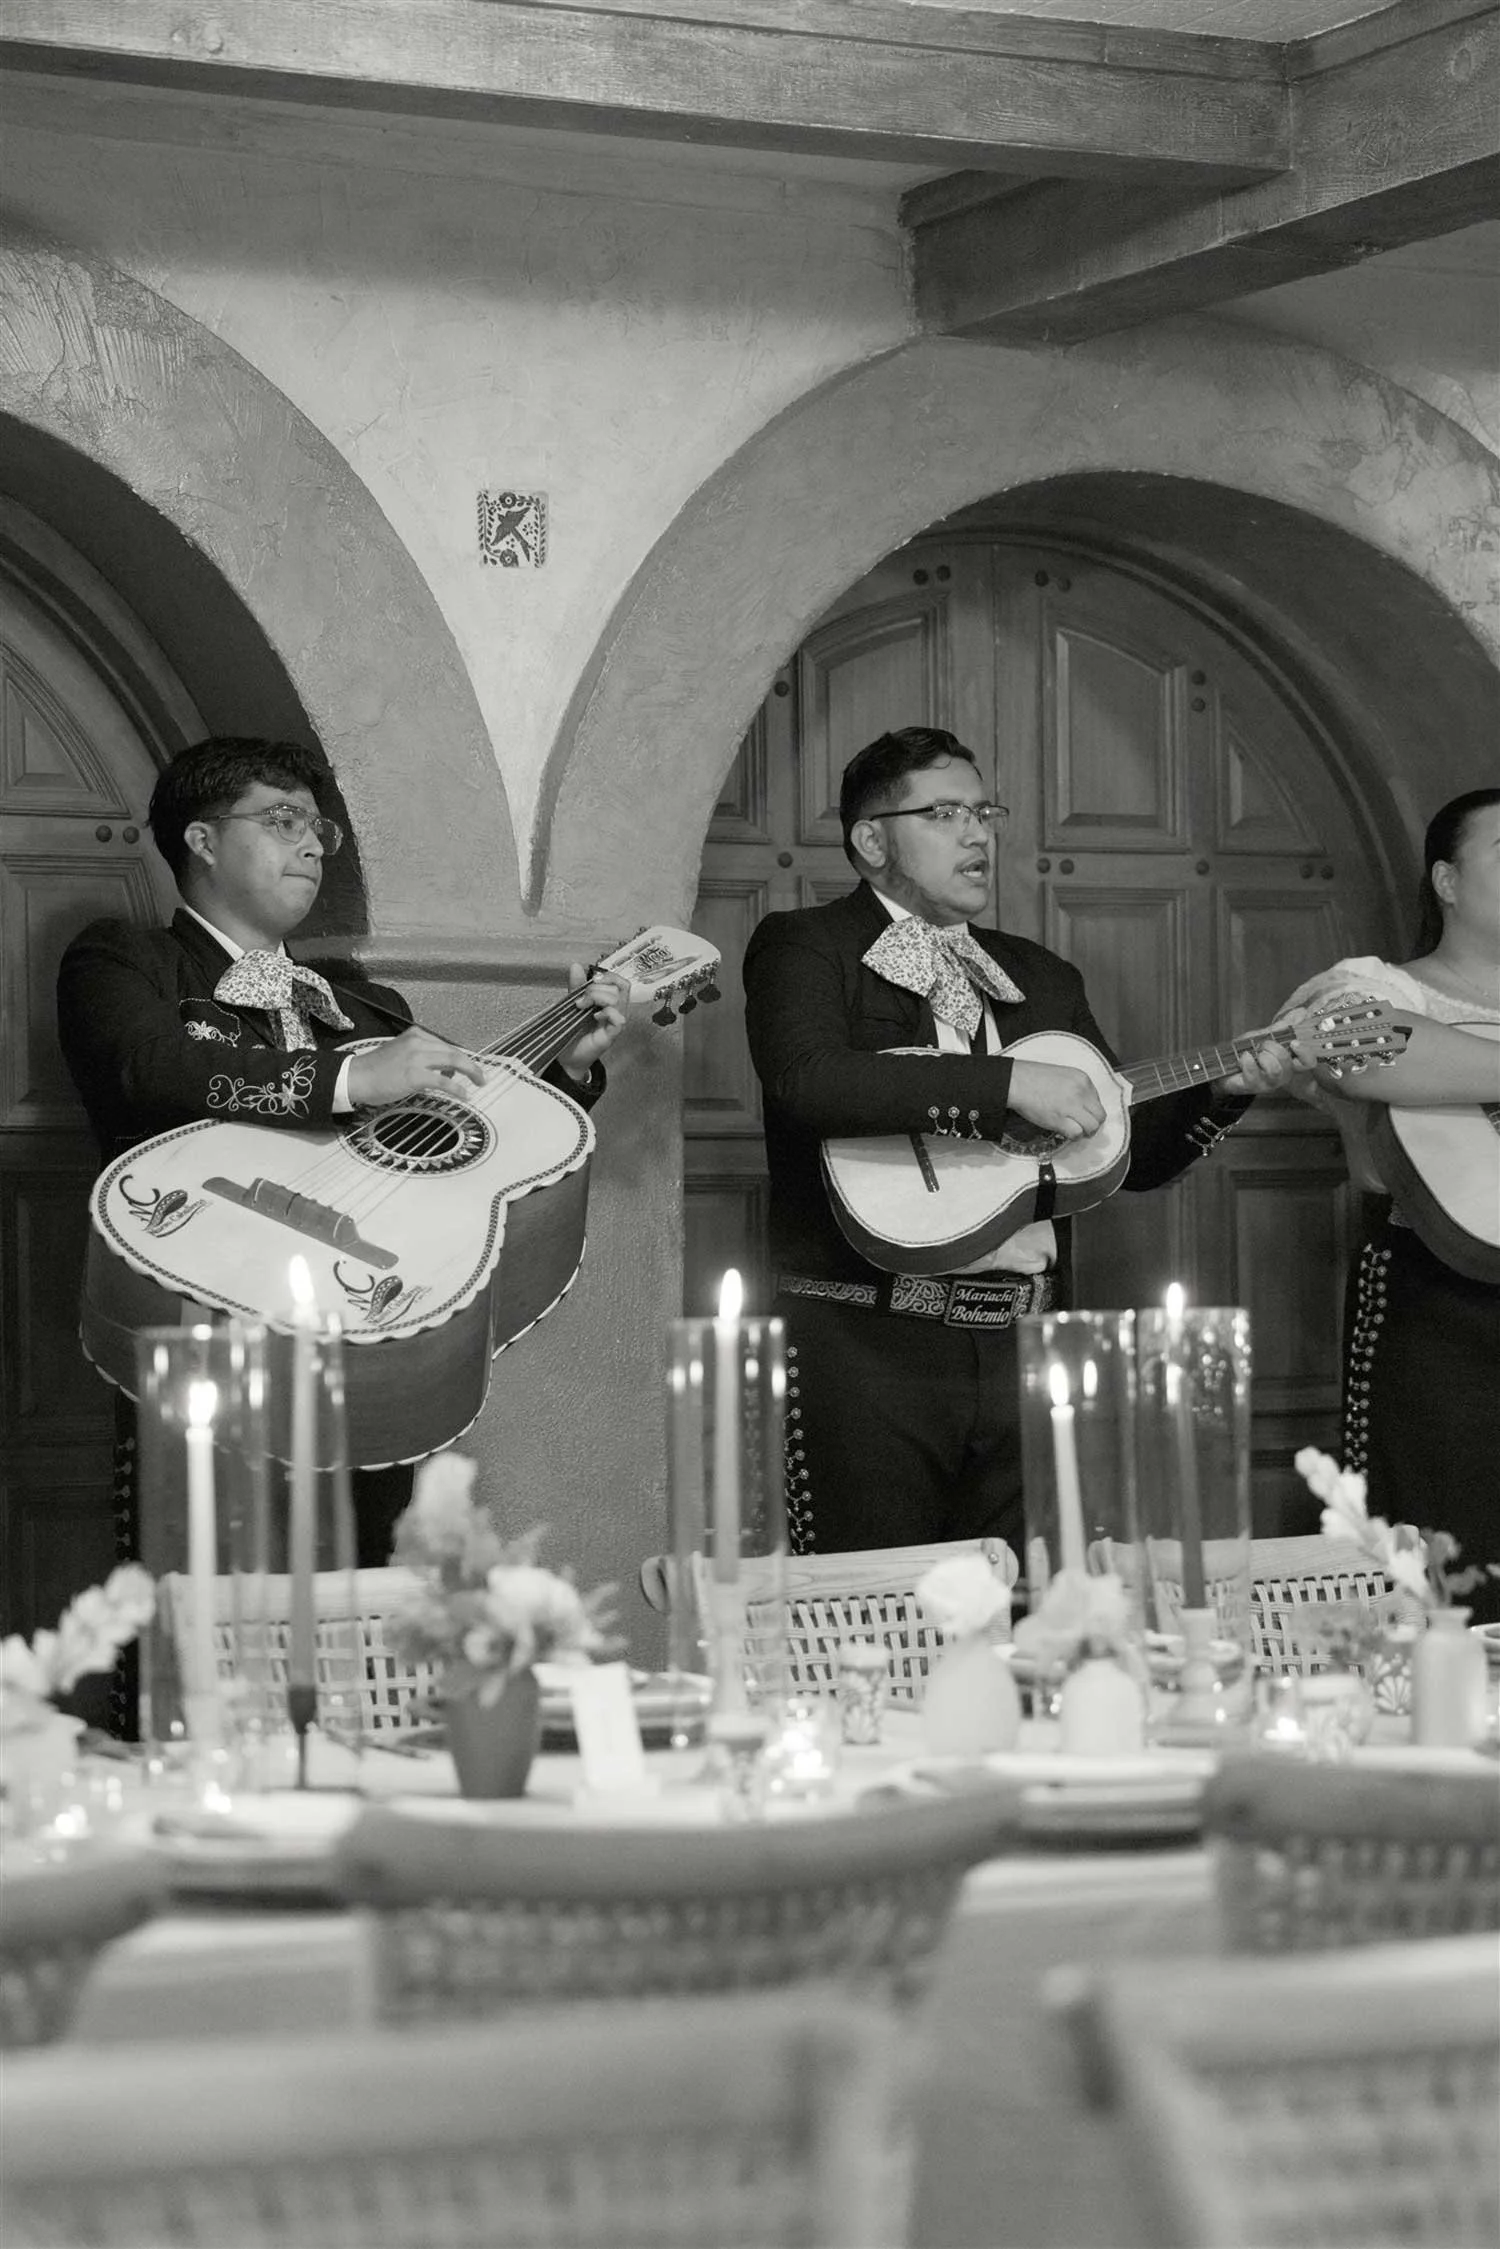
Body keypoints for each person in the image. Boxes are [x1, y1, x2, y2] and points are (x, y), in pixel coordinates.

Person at [57, 736, 626, 1593]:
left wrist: (566, 1064)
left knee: (368, 1602)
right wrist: (351, 1073)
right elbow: (146, 1073)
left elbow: (457, 1144)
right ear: (202, 840)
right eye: (282, 819)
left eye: (318, 826)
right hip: (200, 1323)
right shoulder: (126, 960)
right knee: (201, 1614)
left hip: (361, 1345)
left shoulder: (368, 1006)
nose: (315, 844)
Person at [743, 726, 1303, 1556]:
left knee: (1022, 1625)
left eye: (984, 811)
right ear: (871, 839)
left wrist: (1221, 1094)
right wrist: (1004, 1085)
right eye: (944, 813)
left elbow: (1125, 1156)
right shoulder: (807, 944)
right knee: (874, 1616)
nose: (977, 833)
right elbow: (807, 1082)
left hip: (1025, 1347)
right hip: (863, 1346)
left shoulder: (1039, 974)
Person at [1279, 786, 1500, 1621]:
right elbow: (1348, 1043)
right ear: (1445, 879)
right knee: (1442, 1549)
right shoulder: (1375, 985)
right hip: (1432, 1290)